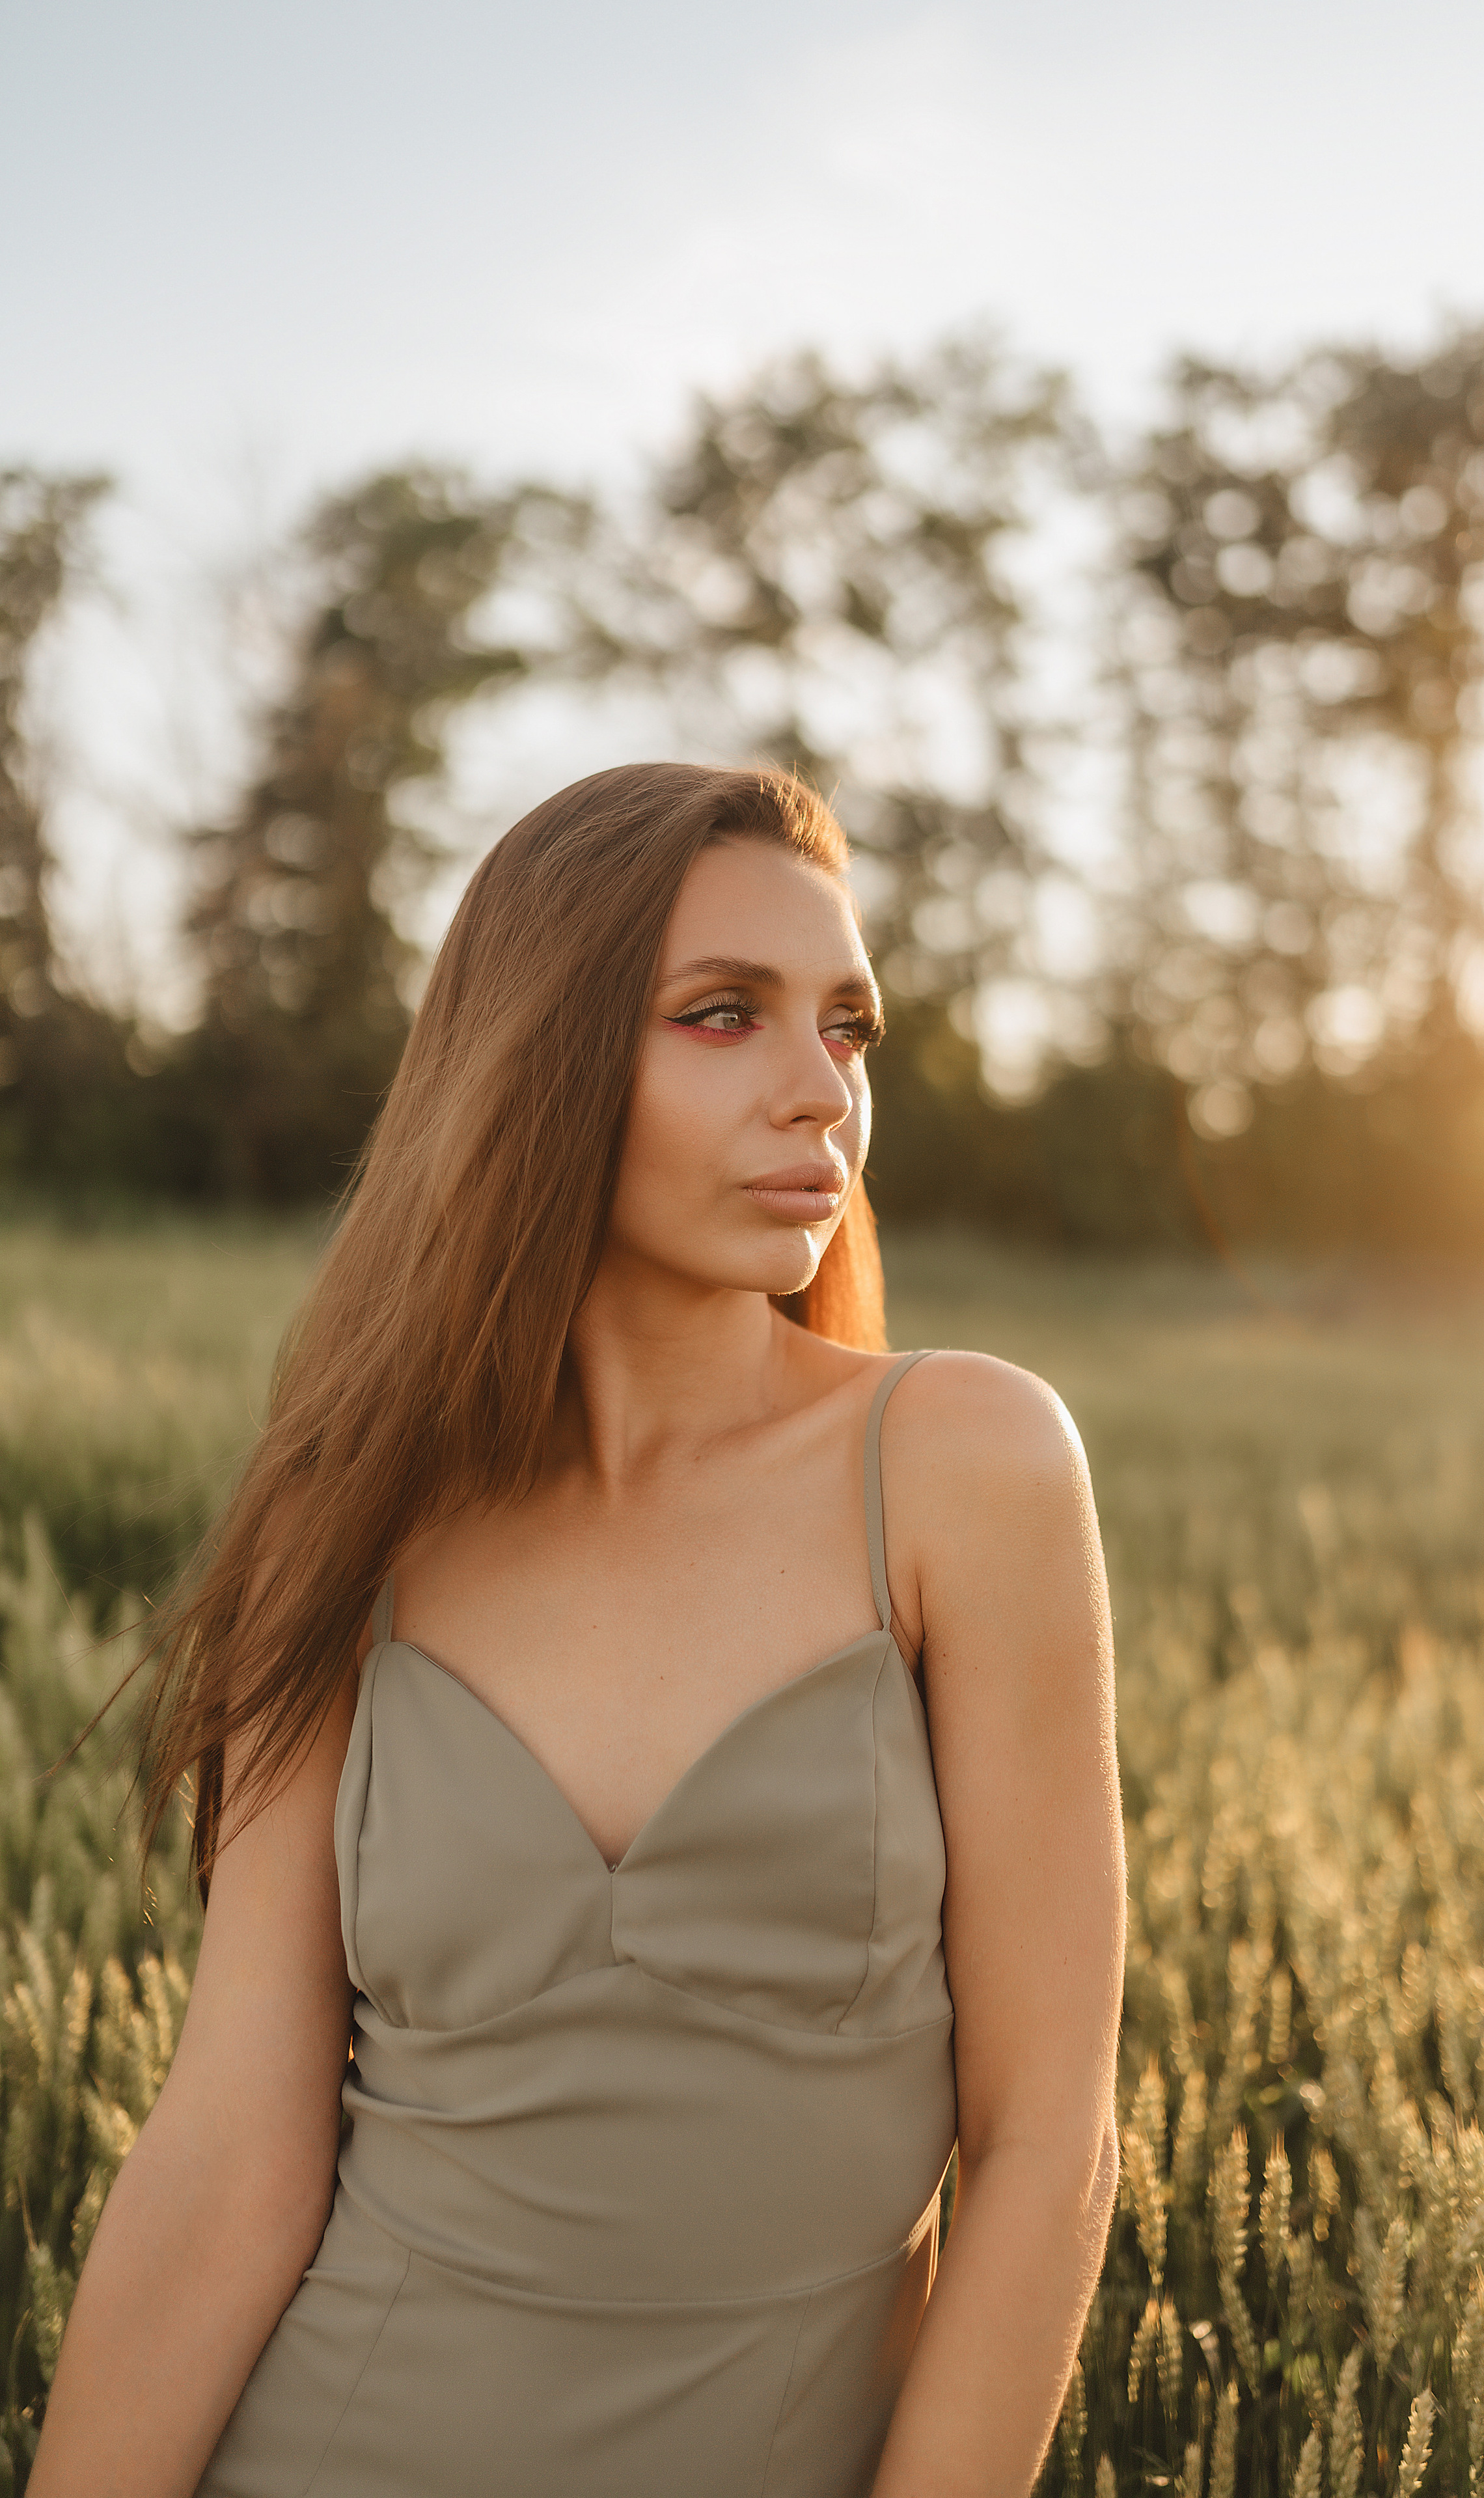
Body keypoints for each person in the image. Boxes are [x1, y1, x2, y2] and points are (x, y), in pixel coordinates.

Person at [34, 763, 1125, 2497]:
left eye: (849, 1029)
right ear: (536, 1060)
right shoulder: (352, 1517)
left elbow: (1043, 2143)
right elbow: (229, 2154)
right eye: (722, 1016)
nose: (820, 1092)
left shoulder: (961, 1465)